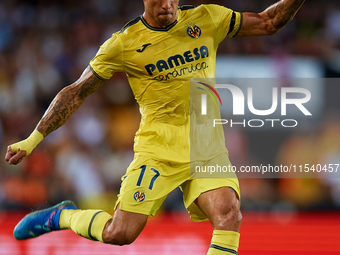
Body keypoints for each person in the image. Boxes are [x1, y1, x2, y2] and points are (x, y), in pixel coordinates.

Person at [5, 0, 305, 254]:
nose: (166, 5)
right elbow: (77, 91)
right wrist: (32, 139)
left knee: (228, 215)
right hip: (158, 149)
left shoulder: (207, 18)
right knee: (119, 233)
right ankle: (64, 216)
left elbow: (269, 22)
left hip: (206, 146)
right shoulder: (124, 43)